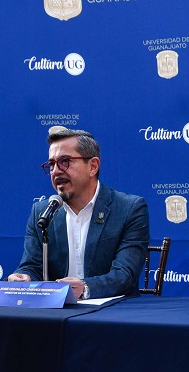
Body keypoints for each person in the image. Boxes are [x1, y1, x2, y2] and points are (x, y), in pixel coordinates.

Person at [8, 128, 149, 299]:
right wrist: (24, 277)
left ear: (93, 166)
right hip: (56, 310)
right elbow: (32, 266)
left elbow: (125, 275)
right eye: (51, 164)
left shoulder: (129, 208)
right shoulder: (42, 212)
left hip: (113, 311)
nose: (56, 171)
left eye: (64, 161)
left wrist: (86, 287)